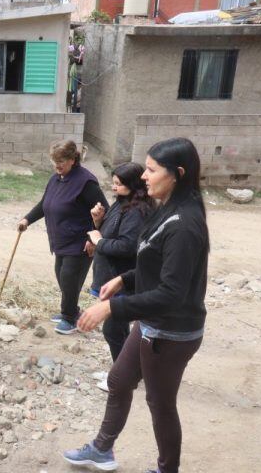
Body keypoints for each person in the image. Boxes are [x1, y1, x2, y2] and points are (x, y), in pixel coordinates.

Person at [63, 137, 209, 473]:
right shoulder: (167, 209)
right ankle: (102, 450)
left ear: (178, 173)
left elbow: (172, 292)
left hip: (172, 331)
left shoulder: (185, 224)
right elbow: (152, 261)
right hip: (152, 322)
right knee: (118, 380)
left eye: (153, 170)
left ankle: (166, 469)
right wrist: (125, 279)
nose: (144, 176)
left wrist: (112, 308)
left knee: (160, 403)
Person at [17, 140, 108, 335]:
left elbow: (104, 211)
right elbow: (44, 204)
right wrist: (27, 220)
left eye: (62, 161)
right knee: (62, 276)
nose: (57, 165)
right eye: (54, 160)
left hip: (80, 242)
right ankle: (72, 311)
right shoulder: (56, 179)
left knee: (69, 278)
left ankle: (69, 317)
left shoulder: (86, 182)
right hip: (61, 240)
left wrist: (93, 238)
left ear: (73, 159)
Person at [86, 162, 154, 391]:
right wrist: (98, 221)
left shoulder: (137, 211)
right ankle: (125, 371)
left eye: (118, 184)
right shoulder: (122, 203)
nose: (113, 188)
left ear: (133, 185)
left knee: (113, 330)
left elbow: (126, 247)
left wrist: (98, 241)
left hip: (123, 280)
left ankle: (124, 378)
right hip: (111, 278)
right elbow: (110, 231)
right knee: (119, 330)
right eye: (113, 183)